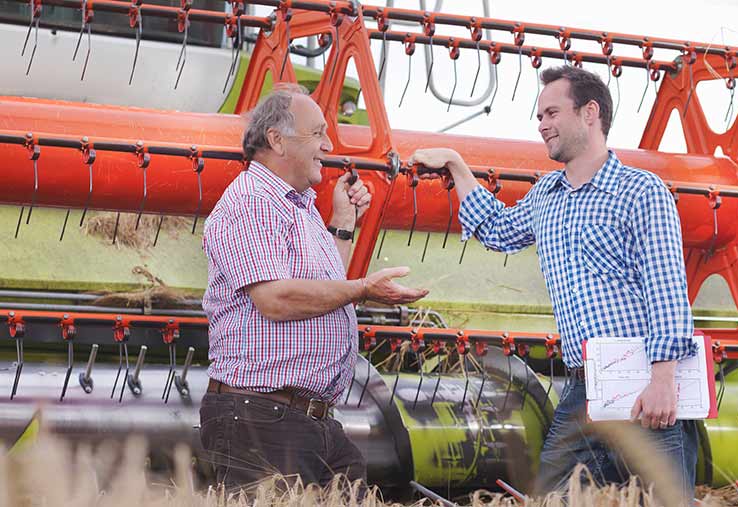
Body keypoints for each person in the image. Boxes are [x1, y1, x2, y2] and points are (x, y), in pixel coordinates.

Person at [410, 66, 698, 498]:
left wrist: (662, 379)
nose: (541, 124)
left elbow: (667, 288)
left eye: (551, 113)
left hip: (644, 384)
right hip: (583, 385)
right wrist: (456, 164)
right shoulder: (547, 196)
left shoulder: (641, 191)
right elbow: (496, 229)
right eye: (538, 116)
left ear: (590, 113)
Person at [200, 85, 429, 491]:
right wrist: (361, 289)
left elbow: (319, 290)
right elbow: (274, 299)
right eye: (318, 133)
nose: (327, 144)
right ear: (277, 139)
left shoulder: (300, 207)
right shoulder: (251, 201)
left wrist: (341, 224)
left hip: (306, 419)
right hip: (261, 417)